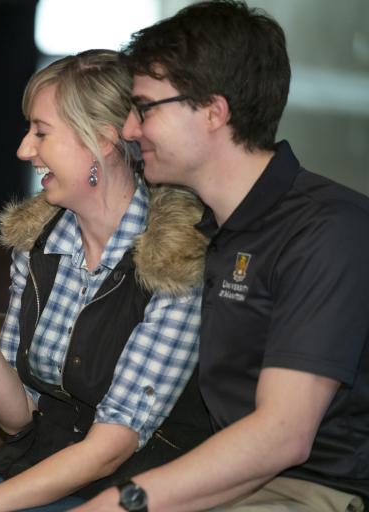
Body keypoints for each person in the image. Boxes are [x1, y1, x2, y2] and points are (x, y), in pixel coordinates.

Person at [0, 49, 211, 512]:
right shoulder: (37, 244)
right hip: (34, 469)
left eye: (41, 132)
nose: (24, 149)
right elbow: (19, 417)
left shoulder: (175, 260)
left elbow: (111, 448)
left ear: (103, 139)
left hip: (127, 492)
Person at [75, 2, 369, 511]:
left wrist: (124, 502)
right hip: (234, 480)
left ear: (214, 111)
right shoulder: (209, 226)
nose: (128, 129)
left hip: (316, 490)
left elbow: (283, 435)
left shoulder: (328, 229)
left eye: (144, 108)